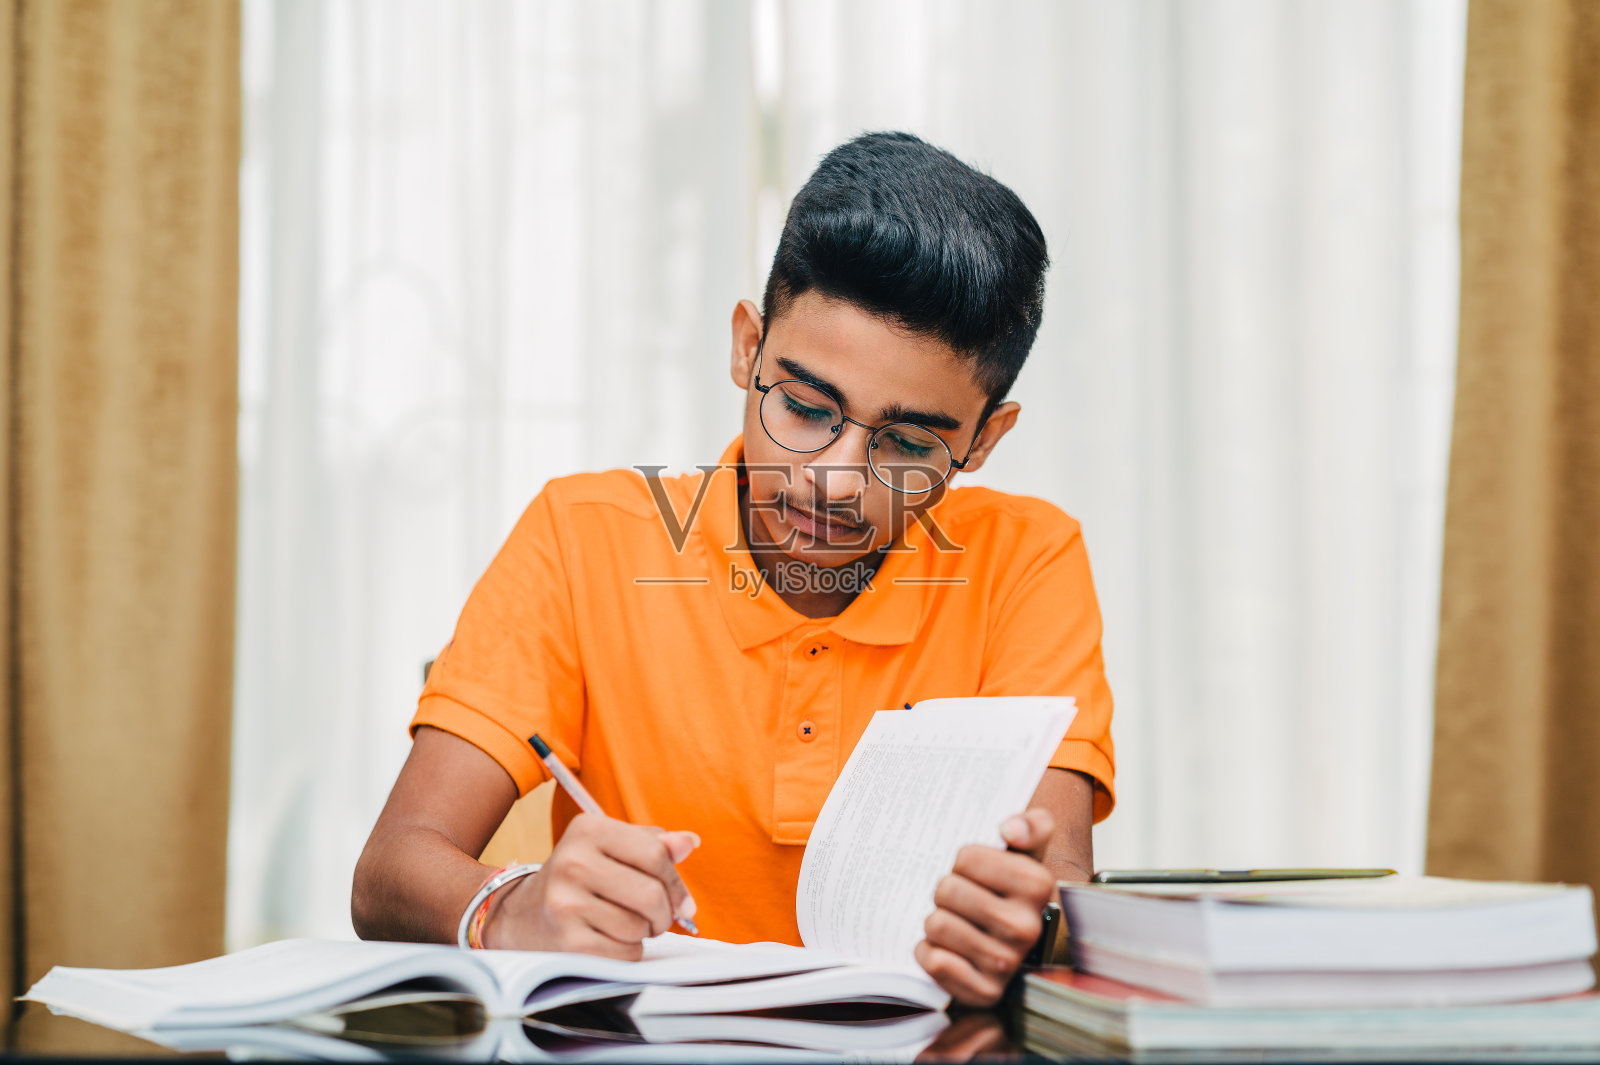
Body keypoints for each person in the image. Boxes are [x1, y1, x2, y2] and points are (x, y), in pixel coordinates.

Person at [352, 131, 1115, 1008]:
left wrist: (1031, 924)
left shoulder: (1028, 559)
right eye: (803, 405)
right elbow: (387, 873)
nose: (833, 478)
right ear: (747, 349)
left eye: (907, 442)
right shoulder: (584, 534)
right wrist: (512, 907)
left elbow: (1063, 886)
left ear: (985, 437)